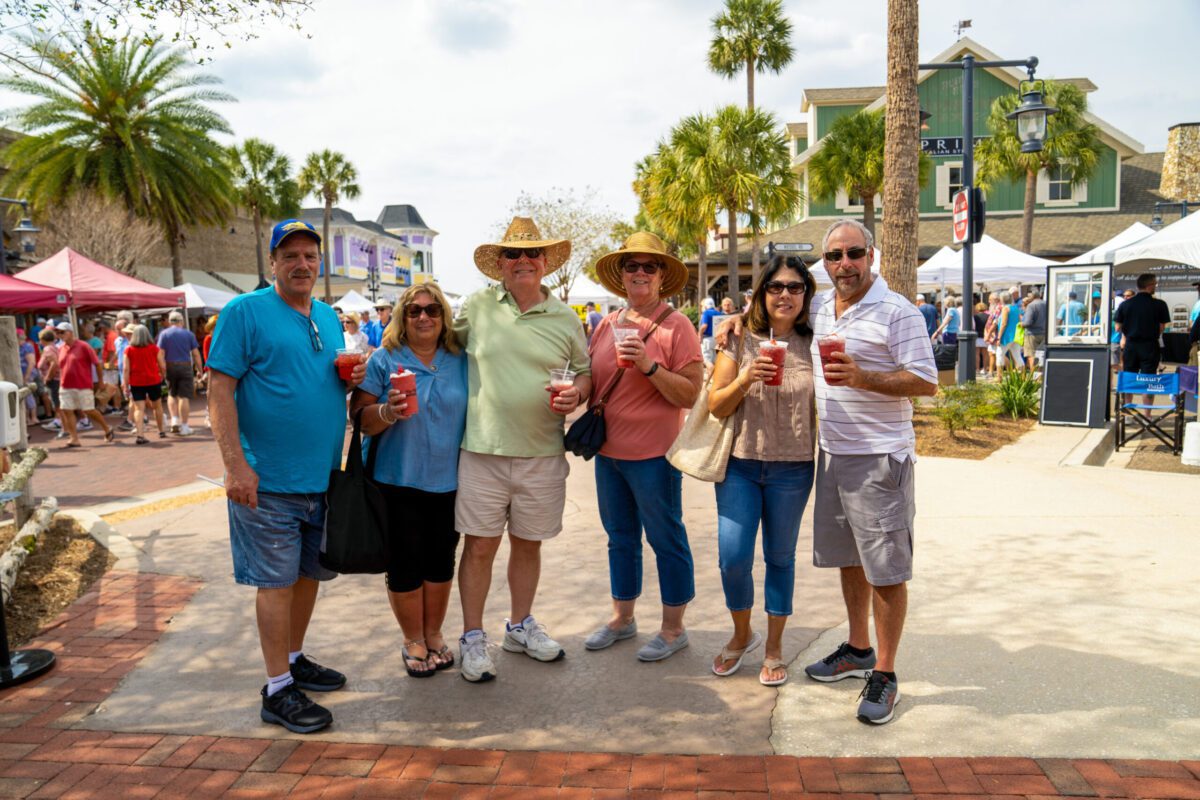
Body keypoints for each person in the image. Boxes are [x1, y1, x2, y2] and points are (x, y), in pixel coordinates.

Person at [207, 218, 366, 734]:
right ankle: (277, 690)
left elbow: (320, 383)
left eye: (310, 256)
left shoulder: (326, 315)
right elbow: (219, 391)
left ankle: (293, 660)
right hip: (267, 481)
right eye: (290, 255)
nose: (301, 264)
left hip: (322, 478)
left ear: (319, 264)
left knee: (308, 576)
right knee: (275, 584)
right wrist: (236, 465)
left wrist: (353, 379)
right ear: (273, 261)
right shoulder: (244, 312)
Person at [801, 219, 936, 725]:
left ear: (871, 255)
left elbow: (925, 381)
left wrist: (863, 377)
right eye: (835, 256)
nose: (845, 264)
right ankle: (858, 649)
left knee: (886, 571)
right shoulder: (820, 307)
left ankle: (885, 672)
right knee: (850, 560)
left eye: (854, 253)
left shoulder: (897, 311)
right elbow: (773, 314)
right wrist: (733, 321)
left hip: (880, 459)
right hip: (833, 453)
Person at [452, 216, 592, 683]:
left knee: (528, 545)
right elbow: (436, 344)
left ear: (546, 261)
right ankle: (473, 637)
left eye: (532, 253)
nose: (523, 260)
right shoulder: (477, 306)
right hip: (483, 451)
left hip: (542, 452)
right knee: (479, 547)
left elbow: (584, 371)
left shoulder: (565, 318)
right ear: (500, 264)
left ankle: (519, 626)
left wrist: (578, 393)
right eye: (513, 253)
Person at [581, 232, 703, 662]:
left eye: (649, 266)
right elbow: (592, 380)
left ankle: (673, 629)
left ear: (661, 276)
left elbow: (691, 394)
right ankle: (622, 618)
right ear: (621, 275)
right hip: (609, 454)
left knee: (666, 538)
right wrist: (572, 392)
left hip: (655, 456)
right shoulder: (607, 324)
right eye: (631, 265)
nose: (639, 272)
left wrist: (649, 366)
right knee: (620, 538)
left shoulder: (676, 325)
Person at [708, 255, 817, 686]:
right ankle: (742, 634)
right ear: (762, 293)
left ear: (806, 294)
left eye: (795, 287)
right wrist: (745, 377)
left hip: (793, 468)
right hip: (741, 464)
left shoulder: (816, 340)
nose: (785, 294)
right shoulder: (739, 339)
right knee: (733, 558)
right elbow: (716, 404)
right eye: (776, 286)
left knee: (780, 557)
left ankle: (774, 647)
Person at [350, 284, 467, 678]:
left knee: (441, 561)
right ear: (402, 317)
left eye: (433, 310)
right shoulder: (385, 359)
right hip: (396, 479)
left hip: (449, 480)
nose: (424, 317)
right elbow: (360, 418)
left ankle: (434, 634)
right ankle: (413, 639)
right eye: (414, 310)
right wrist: (387, 411)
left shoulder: (461, 360)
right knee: (405, 561)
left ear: (444, 317)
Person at [54, 322, 115, 447]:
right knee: (66, 410)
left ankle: (106, 428)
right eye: (58, 332)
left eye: (62, 332)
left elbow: (97, 364)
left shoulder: (83, 346)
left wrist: (100, 381)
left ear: (70, 332)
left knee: (88, 410)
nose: (60, 334)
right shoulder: (61, 348)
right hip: (65, 385)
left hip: (83, 384)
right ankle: (74, 438)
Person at [1114, 273, 1171, 396]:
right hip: (1150, 345)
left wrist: (1130, 330)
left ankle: (1127, 406)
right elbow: (1162, 327)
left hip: (1131, 345)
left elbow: (1117, 327)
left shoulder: (1125, 304)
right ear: (1149, 285)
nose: (1155, 286)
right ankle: (1147, 408)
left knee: (1129, 379)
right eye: (1155, 284)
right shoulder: (1160, 304)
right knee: (1149, 381)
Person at [157, 311, 202, 435]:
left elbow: (160, 354)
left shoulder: (164, 334)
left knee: (172, 394)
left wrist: (163, 369)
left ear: (170, 321)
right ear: (181, 321)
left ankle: (174, 420)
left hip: (170, 366)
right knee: (184, 396)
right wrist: (200, 369)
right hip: (185, 366)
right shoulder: (189, 334)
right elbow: (196, 354)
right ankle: (185, 426)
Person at [121, 325, 167, 445]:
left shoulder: (129, 349)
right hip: (153, 380)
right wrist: (163, 376)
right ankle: (161, 431)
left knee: (139, 409)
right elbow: (162, 365)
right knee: (157, 406)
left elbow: (126, 369)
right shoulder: (154, 348)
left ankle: (140, 435)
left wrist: (125, 384)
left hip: (136, 382)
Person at [996, 291, 1024, 374]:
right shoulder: (1015, 308)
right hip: (1015, 335)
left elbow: (1004, 323)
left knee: (999, 355)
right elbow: (1020, 321)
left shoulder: (1005, 308)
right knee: (1017, 356)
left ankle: (999, 376)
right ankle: (1023, 376)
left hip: (1006, 336)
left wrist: (999, 337)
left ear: (1002, 299)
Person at [1022, 290, 1048, 370]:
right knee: (1041, 356)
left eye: (1029, 296)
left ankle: (1034, 375)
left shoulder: (1031, 305)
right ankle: (1040, 374)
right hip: (1044, 333)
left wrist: (1021, 324)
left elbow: (1028, 322)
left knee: (1031, 356)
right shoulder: (1046, 304)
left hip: (1032, 334)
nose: (1028, 298)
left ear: (1032, 296)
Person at [698, 297, 719, 363]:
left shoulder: (706, 313)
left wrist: (699, 335)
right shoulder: (719, 313)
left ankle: (710, 369)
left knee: (706, 360)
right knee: (714, 360)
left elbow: (704, 326)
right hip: (716, 339)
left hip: (707, 339)